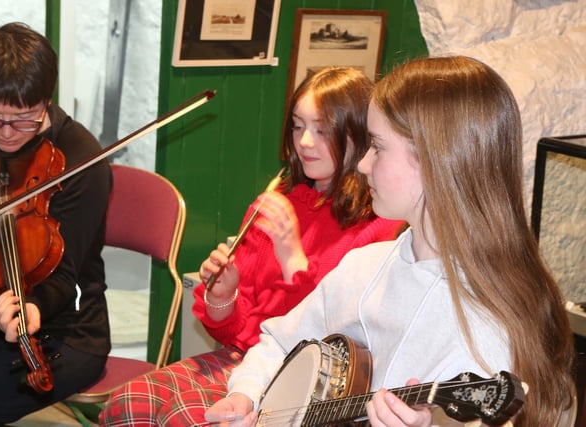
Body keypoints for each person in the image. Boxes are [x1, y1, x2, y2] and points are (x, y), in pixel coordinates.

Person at [204, 56, 576, 427]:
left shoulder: (489, 328)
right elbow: (280, 340)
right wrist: (245, 393)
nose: (363, 165)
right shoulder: (366, 265)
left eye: (378, 147)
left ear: (435, 161)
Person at [99, 66, 405, 425]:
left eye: (321, 130)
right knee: (128, 402)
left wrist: (292, 257)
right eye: (297, 125)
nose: (304, 142)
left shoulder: (377, 224)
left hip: (304, 383)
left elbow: (325, 339)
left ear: (355, 135)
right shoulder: (280, 199)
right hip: (244, 359)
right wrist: (221, 296)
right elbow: (233, 331)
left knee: (182, 416)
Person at [0, 22, 112, 424]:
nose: (5, 133)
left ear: (46, 100)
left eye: (22, 120)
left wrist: (32, 308)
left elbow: (66, 275)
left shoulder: (80, 159)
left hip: (63, 328)